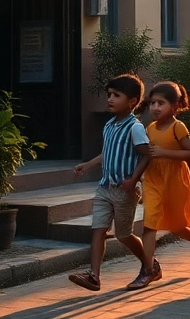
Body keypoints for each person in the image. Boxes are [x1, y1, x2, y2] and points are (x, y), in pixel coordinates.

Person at [68, 74, 154, 291]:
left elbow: (146, 155)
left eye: (116, 95)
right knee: (98, 229)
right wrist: (87, 164)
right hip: (105, 188)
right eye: (109, 95)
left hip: (125, 191)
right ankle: (94, 276)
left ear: (132, 101)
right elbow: (107, 153)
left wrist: (133, 180)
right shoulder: (108, 125)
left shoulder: (135, 127)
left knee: (124, 235)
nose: (110, 99)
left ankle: (151, 265)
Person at [135, 81, 190, 289]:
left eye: (161, 103)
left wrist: (164, 153)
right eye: (152, 103)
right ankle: (148, 270)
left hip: (175, 180)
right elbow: (146, 156)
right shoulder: (149, 128)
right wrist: (135, 178)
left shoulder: (178, 127)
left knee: (177, 225)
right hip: (153, 179)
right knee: (149, 224)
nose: (155, 108)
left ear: (175, 106)